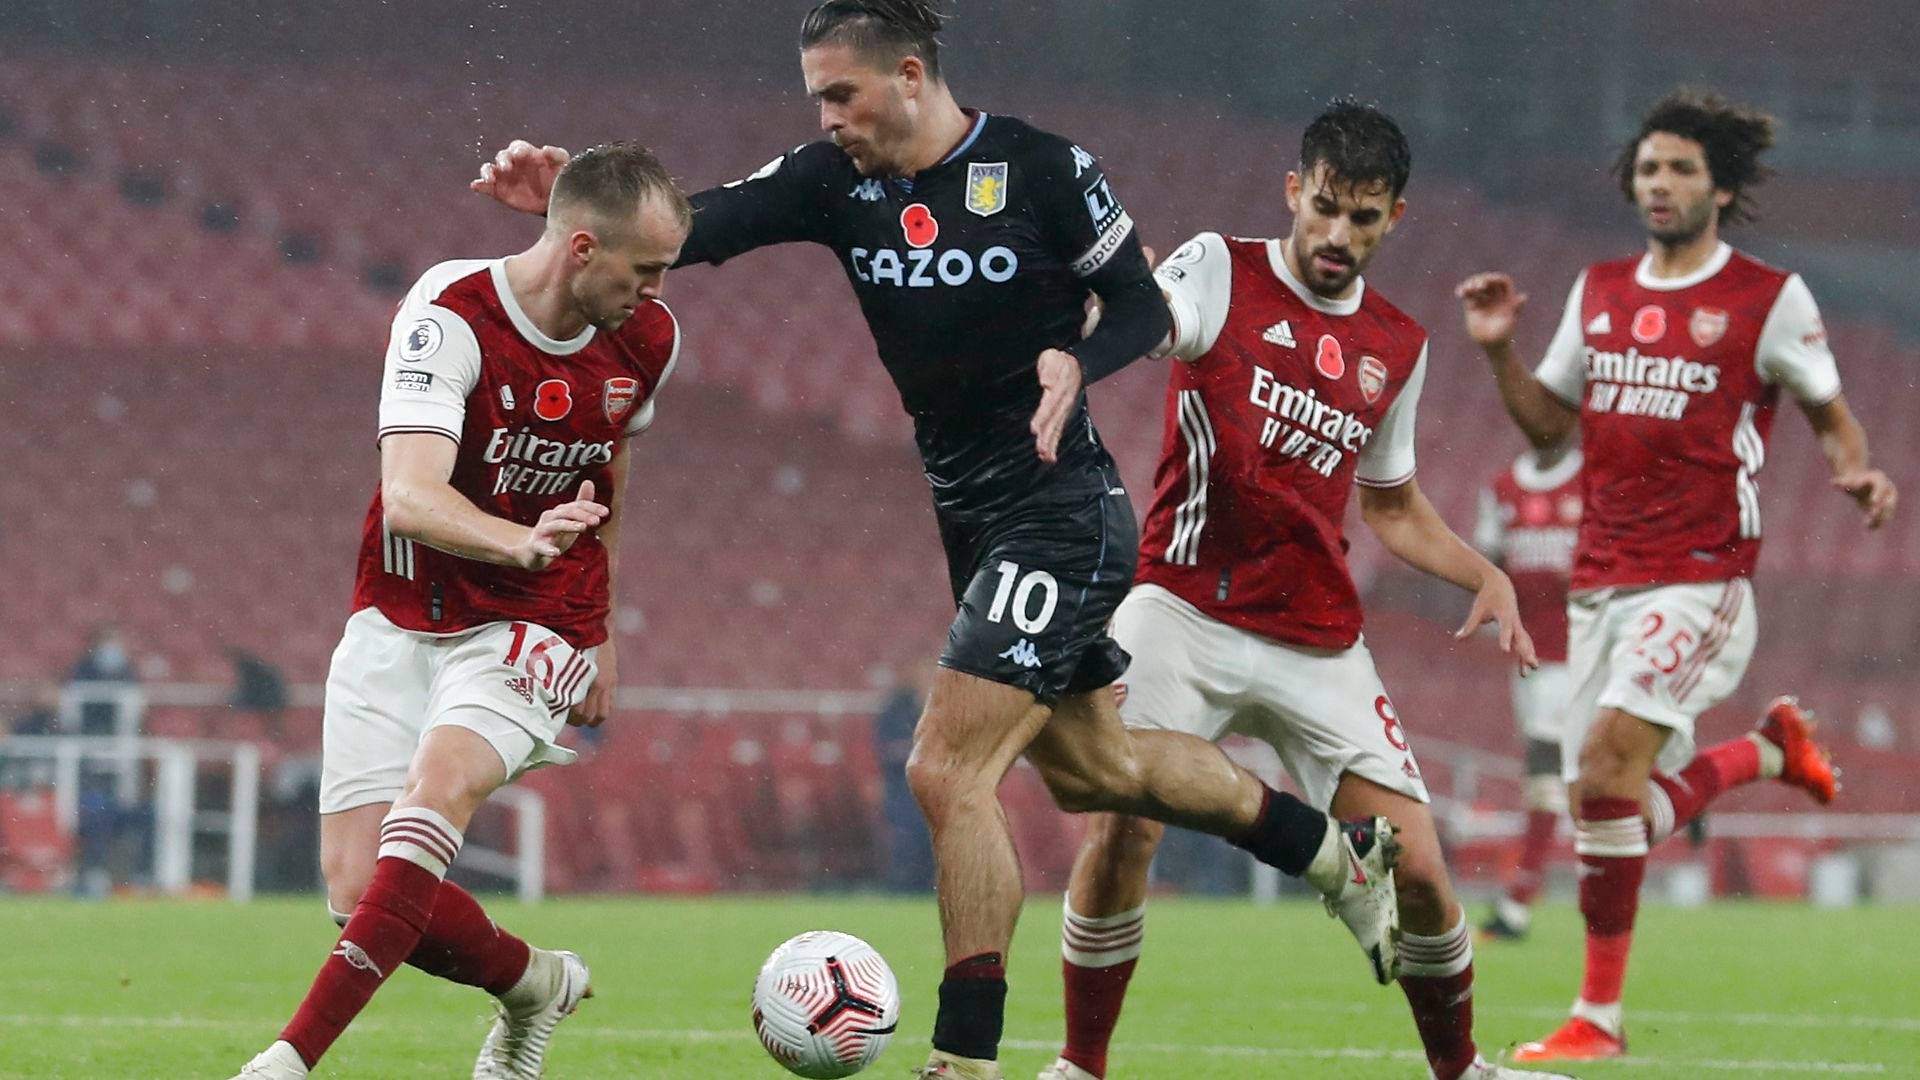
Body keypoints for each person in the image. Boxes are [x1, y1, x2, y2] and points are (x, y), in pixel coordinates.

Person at [473, 5, 1397, 1076]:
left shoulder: (1045, 170)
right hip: (970, 511)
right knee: (1100, 769)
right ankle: (1335, 855)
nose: (826, 116)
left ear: (909, 76)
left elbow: (1140, 311)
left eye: (841, 95)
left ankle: (966, 1056)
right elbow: (698, 226)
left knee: (944, 768)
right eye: (817, 96)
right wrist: (568, 208)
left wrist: (1075, 365)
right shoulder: (834, 182)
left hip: (1062, 507)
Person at [1038, 101, 1566, 1080]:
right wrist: (1119, 305)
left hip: (1317, 635)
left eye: (1362, 219)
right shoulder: (1218, 269)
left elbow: (1394, 505)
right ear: (1295, 191)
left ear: (1394, 219)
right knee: (1123, 823)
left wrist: (1484, 570)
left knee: (1417, 868)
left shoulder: (1397, 345)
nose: (1337, 234)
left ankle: (1462, 1070)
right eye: (1325, 207)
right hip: (1183, 606)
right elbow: (1157, 320)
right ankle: (1079, 1066)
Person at [226, 142, 692, 1079]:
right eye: (645, 270)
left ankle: (287, 1059)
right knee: (359, 888)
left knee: (432, 799)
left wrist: (598, 625)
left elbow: (610, 460)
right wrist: (515, 538)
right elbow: (408, 495)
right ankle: (535, 983)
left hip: (536, 620)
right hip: (402, 608)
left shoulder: (648, 340)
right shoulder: (449, 314)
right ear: (583, 250)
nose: (659, 291)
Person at [1456, 88, 1898, 1063]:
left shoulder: (1768, 298)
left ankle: (1597, 1022)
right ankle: (1767, 755)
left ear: (1721, 188)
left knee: (1609, 772)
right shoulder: (1598, 289)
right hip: (1599, 577)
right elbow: (1547, 430)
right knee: (1604, 806)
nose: (1659, 183)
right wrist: (1498, 357)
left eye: (1681, 169)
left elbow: (1827, 409)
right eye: (1649, 168)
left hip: (1701, 575)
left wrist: (1854, 468)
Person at [1472, 441, 1582, 941]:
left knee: (1546, 772)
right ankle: (1680, 785)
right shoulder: (1502, 489)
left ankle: (1517, 903)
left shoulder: (1593, 482)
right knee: (1561, 776)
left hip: (1576, 654)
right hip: (1527, 656)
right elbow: (1487, 565)